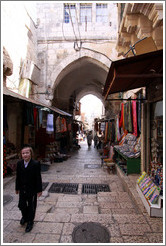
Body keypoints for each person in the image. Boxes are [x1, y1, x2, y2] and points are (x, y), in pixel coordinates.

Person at [15, 145, 42, 233]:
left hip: (32, 189)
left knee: (31, 206)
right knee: (22, 205)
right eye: (23, 153)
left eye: (27, 153)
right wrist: (17, 188)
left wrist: (39, 190)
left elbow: (38, 178)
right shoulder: (19, 164)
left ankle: (30, 221)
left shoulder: (35, 164)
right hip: (22, 189)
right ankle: (24, 216)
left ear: (31, 153)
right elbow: (18, 177)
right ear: (21, 155)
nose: (25, 155)